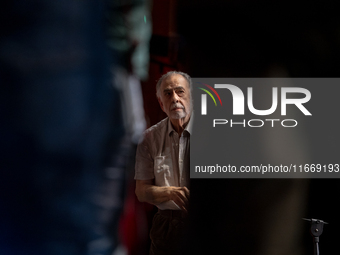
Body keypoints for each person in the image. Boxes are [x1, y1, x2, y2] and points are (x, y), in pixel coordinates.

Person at [134, 71, 192, 255]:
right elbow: (141, 192)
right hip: (164, 228)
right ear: (161, 103)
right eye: (168, 93)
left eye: (180, 91)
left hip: (204, 224)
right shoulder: (148, 139)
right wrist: (170, 193)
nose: (175, 98)